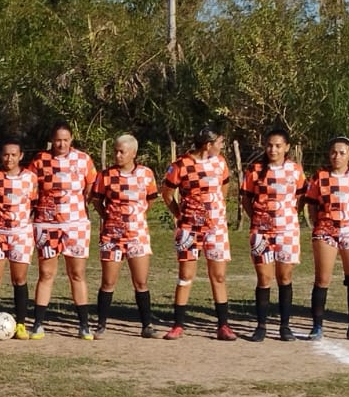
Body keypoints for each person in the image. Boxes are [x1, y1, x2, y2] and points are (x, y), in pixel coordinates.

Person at [160, 125, 235, 341]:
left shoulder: (220, 162)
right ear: (208, 145)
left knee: (218, 275)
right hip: (189, 229)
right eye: (219, 142)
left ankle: (223, 326)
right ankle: (177, 325)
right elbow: (167, 193)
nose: (222, 146)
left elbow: (225, 186)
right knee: (186, 275)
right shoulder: (181, 165)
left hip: (216, 228)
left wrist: (216, 209)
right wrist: (180, 215)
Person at [27, 123, 98, 338]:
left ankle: (84, 325)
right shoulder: (40, 160)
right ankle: (38, 324)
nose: (61, 144)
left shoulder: (84, 160)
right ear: (52, 140)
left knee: (76, 273)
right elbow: (29, 186)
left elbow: (91, 186)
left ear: (72, 139)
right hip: (47, 224)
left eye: (66, 139)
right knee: (46, 273)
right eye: (58, 140)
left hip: (75, 224)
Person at [239, 125, 305, 342]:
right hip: (261, 232)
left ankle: (285, 326)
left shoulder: (295, 170)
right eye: (269, 145)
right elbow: (246, 199)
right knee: (264, 278)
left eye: (278, 146)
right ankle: (261, 326)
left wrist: (290, 213)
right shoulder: (255, 170)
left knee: (284, 277)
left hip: (287, 231)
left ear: (287, 147)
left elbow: (302, 196)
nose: (273, 150)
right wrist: (257, 219)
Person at [305, 136, 349, 341]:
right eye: (334, 152)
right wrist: (323, 224)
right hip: (325, 231)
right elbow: (312, 205)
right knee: (322, 279)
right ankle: (317, 326)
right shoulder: (320, 176)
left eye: (342, 152)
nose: (337, 156)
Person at [92, 135, 159, 338]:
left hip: (137, 235)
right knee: (108, 282)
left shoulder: (146, 174)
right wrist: (109, 218)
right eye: (116, 151)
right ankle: (101, 325)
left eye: (122, 151)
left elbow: (151, 200)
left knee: (141, 282)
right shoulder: (105, 176)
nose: (118, 155)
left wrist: (136, 218)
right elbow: (97, 201)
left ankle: (147, 325)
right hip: (112, 237)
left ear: (133, 153)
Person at [0, 139, 39, 339]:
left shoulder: (31, 178)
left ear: (21, 156)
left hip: (21, 234)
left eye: (14, 155)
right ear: (0, 155)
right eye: (6, 154)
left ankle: (21, 324)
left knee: (19, 279)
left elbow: (34, 205)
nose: (9, 158)